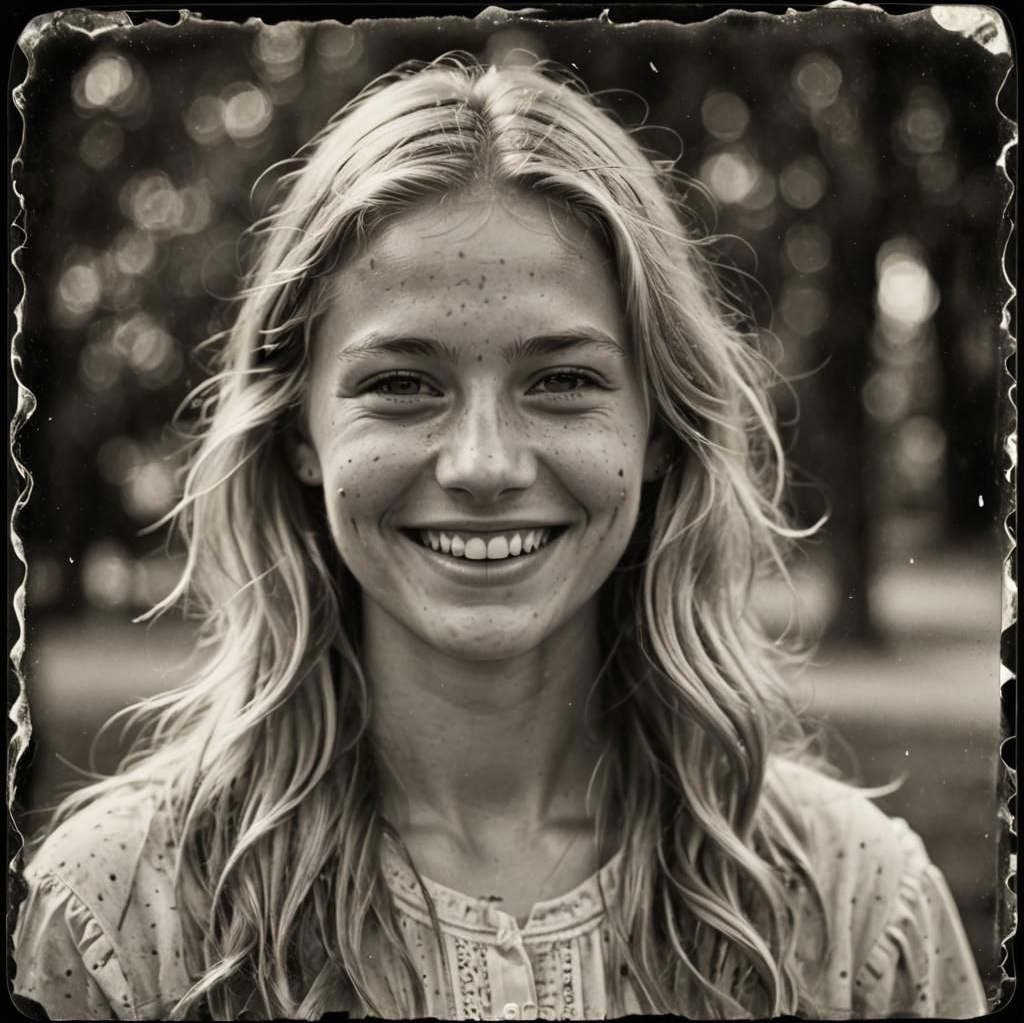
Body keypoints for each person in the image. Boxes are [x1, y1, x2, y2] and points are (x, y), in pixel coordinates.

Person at [12, 56, 989, 1021]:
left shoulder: (857, 914)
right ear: (298, 434)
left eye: (561, 380)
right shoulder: (119, 916)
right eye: (401, 382)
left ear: (657, 429)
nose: (484, 465)